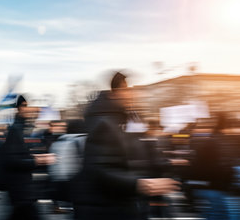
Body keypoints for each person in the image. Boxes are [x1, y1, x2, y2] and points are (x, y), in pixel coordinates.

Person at [73, 71, 180, 220]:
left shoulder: (121, 121)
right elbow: (99, 169)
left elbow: (136, 158)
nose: (134, 95)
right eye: (129, 90)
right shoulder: (105, 124)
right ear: (118, 91)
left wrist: (161, 167)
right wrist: (140, 184)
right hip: (103, 209)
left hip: (120, 205)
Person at [0, 94, 56, 220]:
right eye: (25, 106)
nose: (29, 110)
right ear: (19, 108)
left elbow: (18, 155)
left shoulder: (22, 129)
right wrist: (37, 161)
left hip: (22, 189)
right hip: (20, 189)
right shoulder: (15, 130)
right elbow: (12, 160)